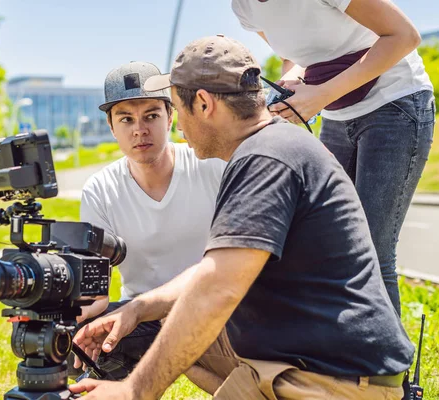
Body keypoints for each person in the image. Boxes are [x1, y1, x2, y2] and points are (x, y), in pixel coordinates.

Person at [69, 35, 414, 400]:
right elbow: (210, 277)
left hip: (332, 381)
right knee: (172, 325)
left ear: (202, 104)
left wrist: (133, 391)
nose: (177, 128)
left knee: (190, 320)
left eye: (174, 110)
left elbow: (218, 289)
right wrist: (138, 308)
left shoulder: (267, 160)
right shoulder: (269, 147)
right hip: (311, 357)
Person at [231, 0, 435, 314]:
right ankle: (345, 351)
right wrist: (296, 82)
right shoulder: (244, 6)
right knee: (332, 240)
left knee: (372, 249)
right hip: (337, 116)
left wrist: (322, 95)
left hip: (396, 102)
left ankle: (388, 362)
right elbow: (297, 56)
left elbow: (404, 36)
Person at [70, 61, 225, 384]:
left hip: (216, 309)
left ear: (171, 117)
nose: (139, 129)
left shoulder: (210, 166)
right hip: (142, 316)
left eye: (151, 115)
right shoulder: (100, 189)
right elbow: (97, 293)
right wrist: (65, 317)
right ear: (112, 128)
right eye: (125, 119)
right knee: (75, 330)